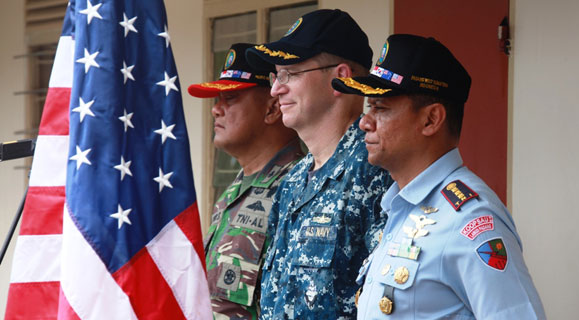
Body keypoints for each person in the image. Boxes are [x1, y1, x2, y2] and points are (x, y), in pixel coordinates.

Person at [331, 34, 546, 319]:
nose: (364, 122)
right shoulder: (401, 206)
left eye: (380, 108)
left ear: (431, 119)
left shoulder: (469, 219)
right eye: (369, 108)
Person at [245, 9, 393, 319]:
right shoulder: (294, 179)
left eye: (291, 74)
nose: (275, 89)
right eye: (276, 75)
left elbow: (388, 301)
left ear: (341, 77)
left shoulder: (374, 170)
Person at [188, 43, 304, 320]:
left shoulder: (297, 186)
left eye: (231, 98)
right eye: (217, 98)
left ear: (273, 108)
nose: (216, 109)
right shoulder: (233, 192)